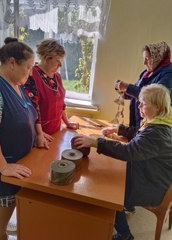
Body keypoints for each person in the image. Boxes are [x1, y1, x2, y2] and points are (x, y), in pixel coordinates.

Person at [73, 84, 172, 240]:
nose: (139, 106)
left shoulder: (158, 133)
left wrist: (96, 142)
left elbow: (129, 152)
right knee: (113, 177)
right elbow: (139, 134)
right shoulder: (161, 120)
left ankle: (124, 234)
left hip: (152, 184)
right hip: (152, 173)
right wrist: (118, 129)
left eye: (143, 103)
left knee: (111, 190)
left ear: (158, 106)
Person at [0, 37, 38, 240]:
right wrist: (3, 166)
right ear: (12, 62)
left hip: (15, 157)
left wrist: (38, 136)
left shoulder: (15, 83)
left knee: (2, 201)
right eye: (27, 67)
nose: (29, 73)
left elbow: (28, 113)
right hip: (2, 160)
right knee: (6, 200)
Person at [102, 41, 172, 141]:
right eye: (144, 59)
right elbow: (135, 92)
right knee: (135, 141)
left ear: (158, 57)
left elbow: (153, 98)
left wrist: (127, 87)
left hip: (151, 122)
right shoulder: (147, 72)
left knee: (139, 145)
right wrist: (122, 90)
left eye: (147, 59)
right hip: (138, 119)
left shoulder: (168, 74)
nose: (144, 63)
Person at [24, 38, 79, 143]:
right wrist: (38, 133)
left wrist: (67, 122)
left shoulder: (57, 76)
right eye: (58, 61)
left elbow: (61, 103)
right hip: (40, 136)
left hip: (56, 130)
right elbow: (30, 110)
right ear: (46, 58)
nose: (60, 65)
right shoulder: (31, 76)